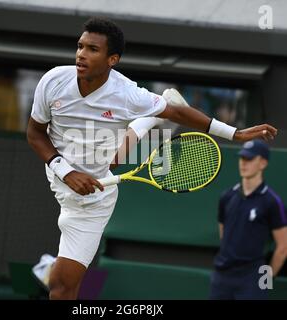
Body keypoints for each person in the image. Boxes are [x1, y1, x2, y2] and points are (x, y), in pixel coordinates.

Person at [27, 17, 277, 300]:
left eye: (92, 49)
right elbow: (35, 133)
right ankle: (148, 121)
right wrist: (65, 171)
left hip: (90, 205)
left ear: (112, 59)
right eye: (80, 46)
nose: (81, 54)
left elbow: (178, 113)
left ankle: (149, 118)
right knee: (114, 158)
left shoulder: (127, 93)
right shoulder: (53, 81)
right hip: (65, 174)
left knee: (61, 289)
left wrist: (236, 134)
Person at [210, 139, 287, 300]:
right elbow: (224, 235)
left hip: (252, 277)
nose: (243, 163)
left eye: (249, 159)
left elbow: (283, 247)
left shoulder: (272, 201)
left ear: (263, 163)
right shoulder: (227, 196)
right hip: (222, 275)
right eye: (242, 158)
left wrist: (266, 279)